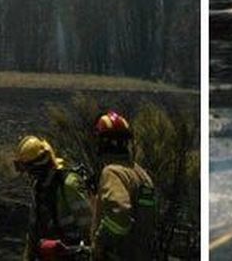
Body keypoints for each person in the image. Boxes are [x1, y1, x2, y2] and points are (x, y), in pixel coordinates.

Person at [89, 111, 158, 260]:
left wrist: (99, 243)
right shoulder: (141, 174)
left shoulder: (112, 172)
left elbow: (119, 215)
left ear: (102, 142)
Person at [15, 135, 92, 259]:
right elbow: (33, 230)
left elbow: (89, 226)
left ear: (37, 166)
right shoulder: (38, 187)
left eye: (28, 169)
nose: (28, 174)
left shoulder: (68, 184)